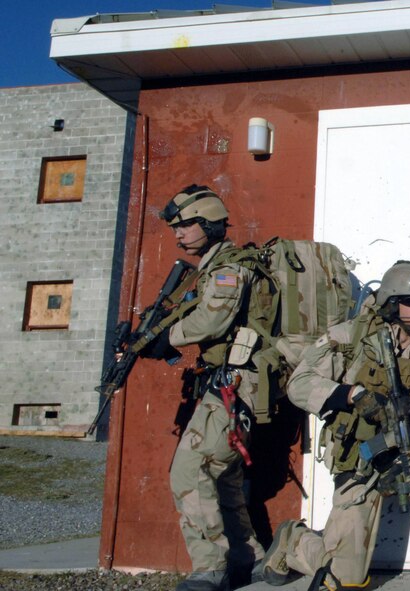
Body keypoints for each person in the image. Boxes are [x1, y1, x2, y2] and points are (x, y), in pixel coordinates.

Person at [260, 260, 410, 591]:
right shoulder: (350, 336)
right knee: (345, 581)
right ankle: (293, 540)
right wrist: (351, 394)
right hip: (363, 457)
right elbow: (299, 384)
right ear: (392, 302)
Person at [144, 185, 266, 591]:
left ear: (209, 223)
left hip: (238, 382)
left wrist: (166, 337)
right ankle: (248, 559)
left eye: (185, 226)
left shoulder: (228, 269)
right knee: (222, 474)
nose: (178, 234)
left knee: (189, 470)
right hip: (227, 382)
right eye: (175, 228)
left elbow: (213, 321)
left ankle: (211, 568)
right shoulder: (211, 267)